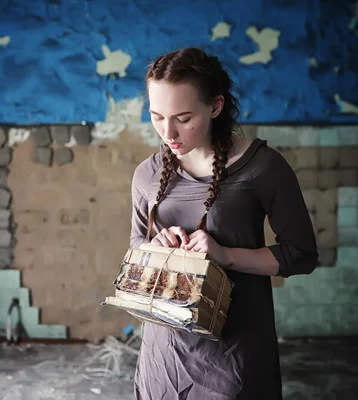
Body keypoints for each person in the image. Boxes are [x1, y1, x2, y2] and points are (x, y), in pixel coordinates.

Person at [129, 47, 319, 399]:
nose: (168, 132)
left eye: (183, 118)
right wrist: (154, 247)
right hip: (163, 354)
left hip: (233, 355)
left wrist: (225, 255)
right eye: (157, 117)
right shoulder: (147, 174)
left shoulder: (262, 168)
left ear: (215, 107)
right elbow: (135, 246)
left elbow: (302, 254)